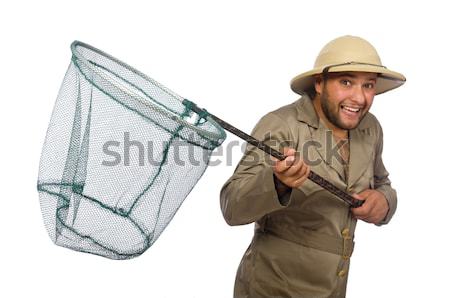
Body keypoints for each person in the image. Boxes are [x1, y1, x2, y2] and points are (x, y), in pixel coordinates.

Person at [220, 35, 406, 298]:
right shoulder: (281, 125)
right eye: (346, 82)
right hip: (272, 288)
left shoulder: (370, 128)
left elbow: (382, 182)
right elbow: (232, 206)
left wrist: (385, 201)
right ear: (319, 83)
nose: (359, 98)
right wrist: (277, 182)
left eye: (368, 85)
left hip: (334, 289)